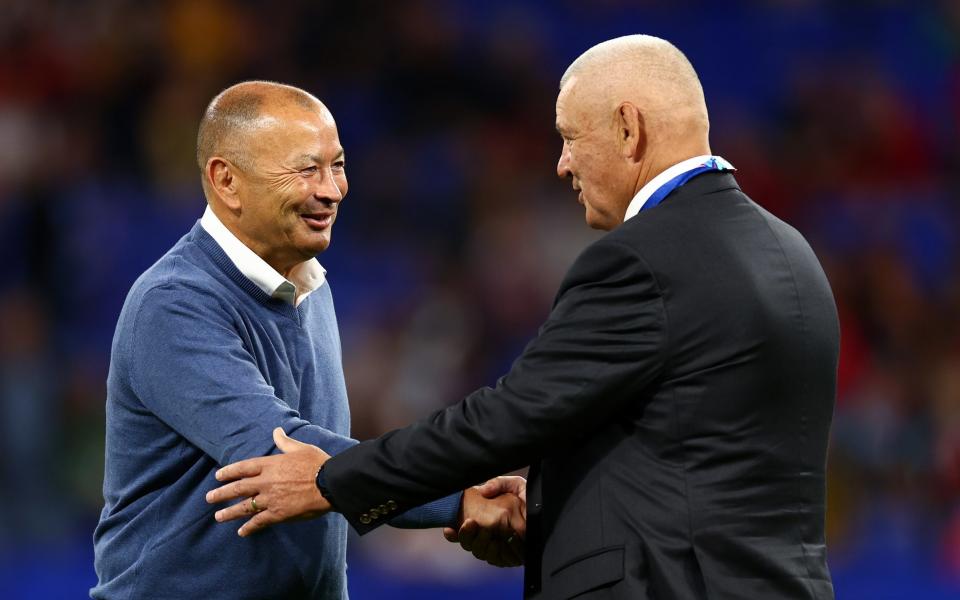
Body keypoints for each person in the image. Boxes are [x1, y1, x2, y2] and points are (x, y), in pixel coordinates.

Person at [207, 35, 840, 599]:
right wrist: (543, 509)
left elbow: (508, 418)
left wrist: (335, 481)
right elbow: (690, 464)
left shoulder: (644, 259)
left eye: (569, 138)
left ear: (628, 129)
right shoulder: (792, 253)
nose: (562, 164)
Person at [91, 81, 525, 600]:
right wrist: (457, 497)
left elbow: (320, 491)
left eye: (337, 166)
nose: (331, 190)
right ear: (226, 180)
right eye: (306, 170)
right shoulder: (174, 303)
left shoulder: (310, 285)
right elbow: (282, 450)